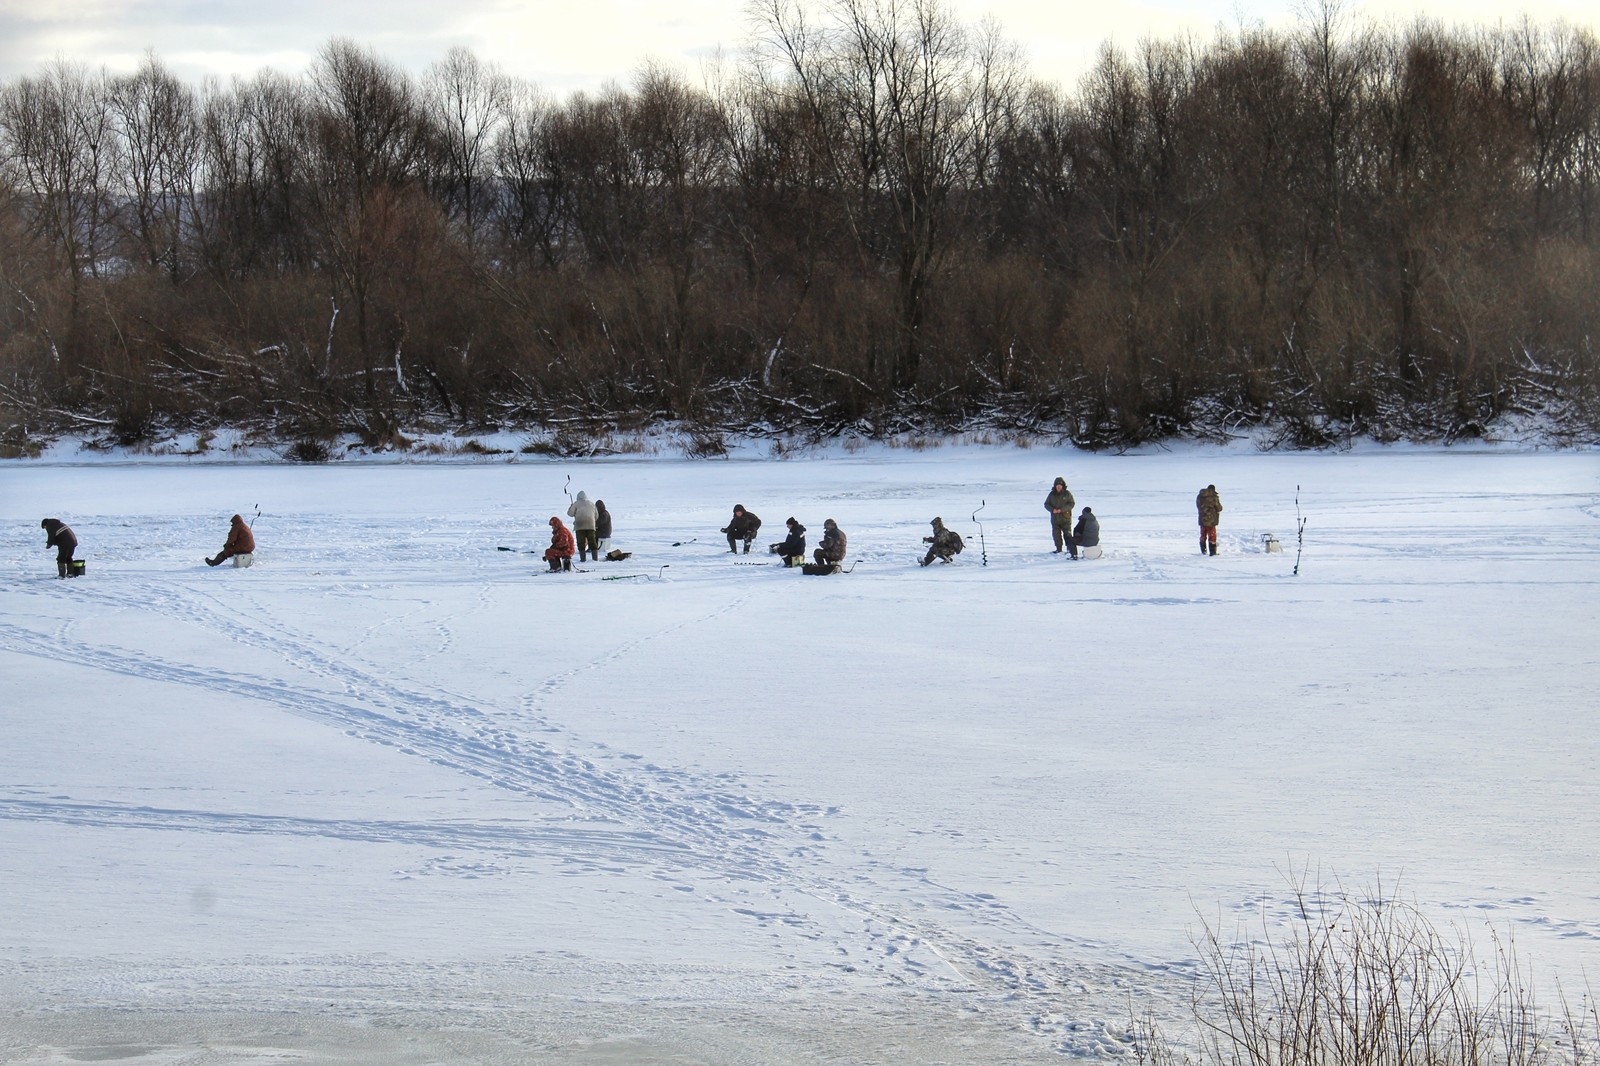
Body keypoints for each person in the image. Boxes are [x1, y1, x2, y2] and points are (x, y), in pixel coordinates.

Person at [1045, 477, 1076, 555]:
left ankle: (1070, 550)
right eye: (1057, 485)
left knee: (1068, 535)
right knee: (1056, 535)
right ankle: (1058, 549)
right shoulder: (1051, 494)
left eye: (1060, 485)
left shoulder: (1067, 494)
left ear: (1063, 486)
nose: (1058, 487)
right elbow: (1046, 504)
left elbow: (1071, 504)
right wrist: (1052, 510)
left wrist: (1062, 510)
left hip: (1066, 518)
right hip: (1055, 519)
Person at [568, 490, 598, 562]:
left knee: (580, 542)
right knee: (592, 541)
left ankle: (583, 559)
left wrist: (571, 506)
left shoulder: (576, 503)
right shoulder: (591, 504)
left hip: (580, 526)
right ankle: (595, 558)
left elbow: (570, 514)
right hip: (591, 526)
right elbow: (596, 516)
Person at [1196, 484, 1223, 556]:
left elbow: (1198, 506)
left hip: (1202, 519)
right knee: (1212, 535)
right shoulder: (1213, 497)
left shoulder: (1199, 496)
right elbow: (1219, 508)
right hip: (1211, 520)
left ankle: (1203, 551)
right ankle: (1212, 552)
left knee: (1203, 535)